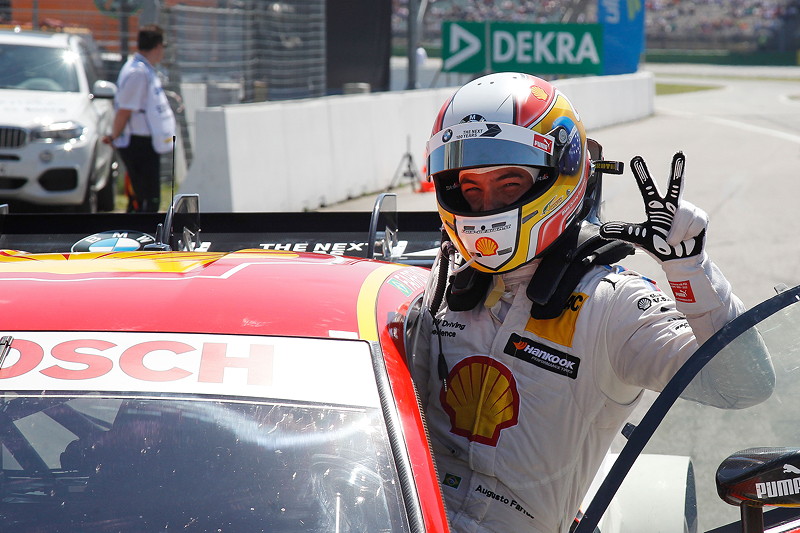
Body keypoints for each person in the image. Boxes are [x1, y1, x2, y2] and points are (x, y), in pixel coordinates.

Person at [410, 72, 773, 533]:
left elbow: (743, 385)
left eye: (508, 184)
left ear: (557, 176)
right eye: (470, 189)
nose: (485, 207)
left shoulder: (612, 305)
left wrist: (690, 271)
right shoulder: (433, 286)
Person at [102, 24, 176, 212]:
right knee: (146, 199)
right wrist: (114, 136)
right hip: (138, 143)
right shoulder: (137, 73)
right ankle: (141, 235)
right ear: (158, 47)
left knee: (148, 197)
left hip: (146, 142)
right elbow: (125, 110)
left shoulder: (145, 69)